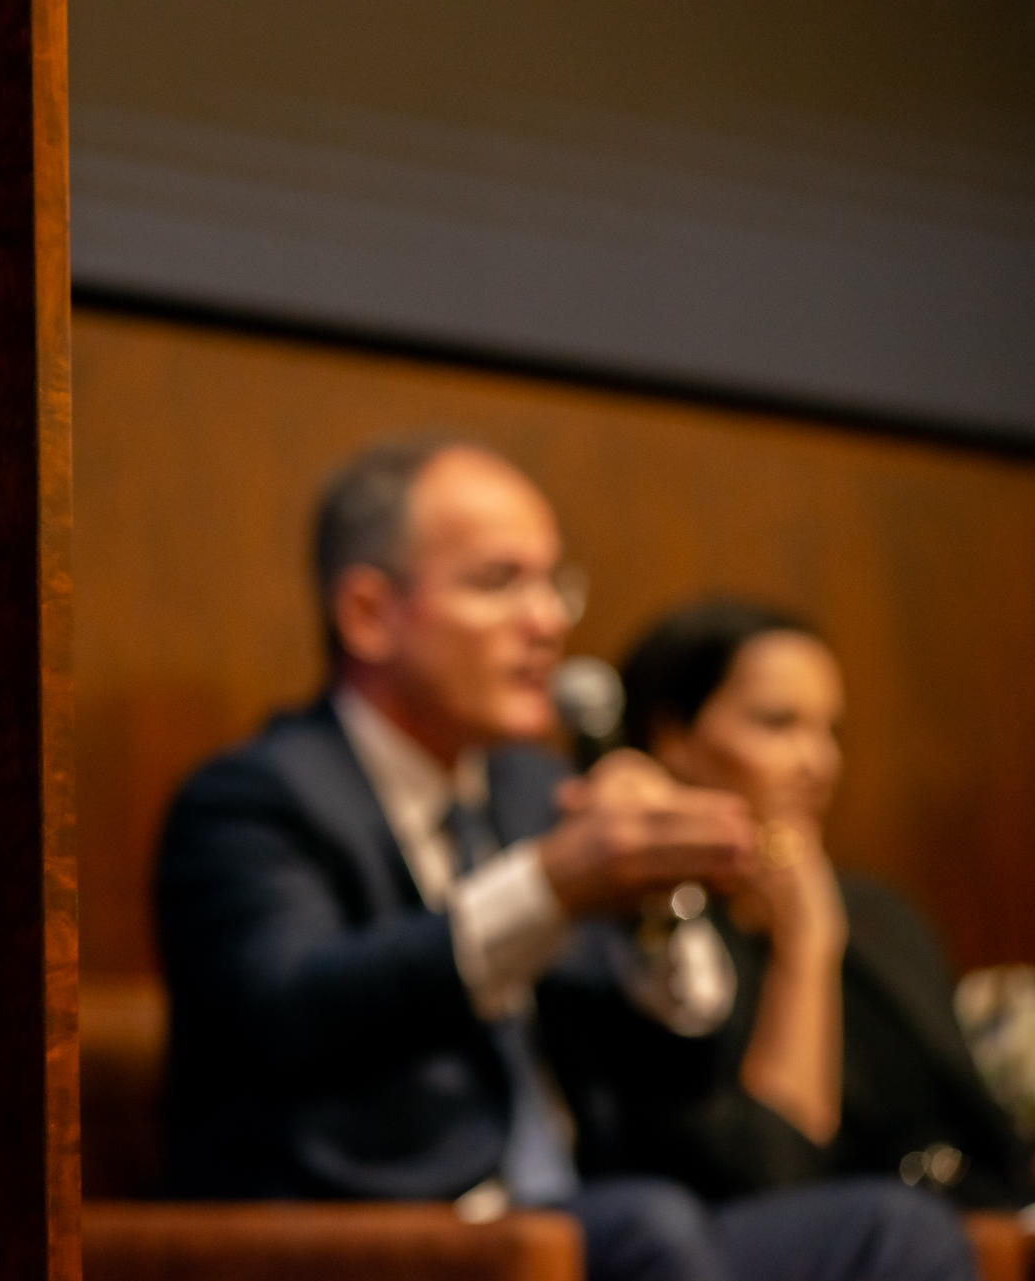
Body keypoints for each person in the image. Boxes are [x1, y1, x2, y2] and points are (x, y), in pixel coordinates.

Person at [157, 439, 977, 1281]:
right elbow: (294, 1011)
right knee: (643, 1225)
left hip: (587, 1215)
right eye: (498, 582)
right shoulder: (253, 799)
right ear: (369, 613)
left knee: (894, 1227)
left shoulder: (532, 788)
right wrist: (550, 887)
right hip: (377, 1231)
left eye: (554, 584)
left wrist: (661, 909)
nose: (548, 620)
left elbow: (675, 1079)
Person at [599, 598, 1033, 1209]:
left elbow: (988, 1138)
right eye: (778, 724)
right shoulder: (651, 933)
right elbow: (775, 1174)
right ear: (672, 738)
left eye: (830, 731)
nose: (820, 764)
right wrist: (805, 944)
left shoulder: (880, 913)